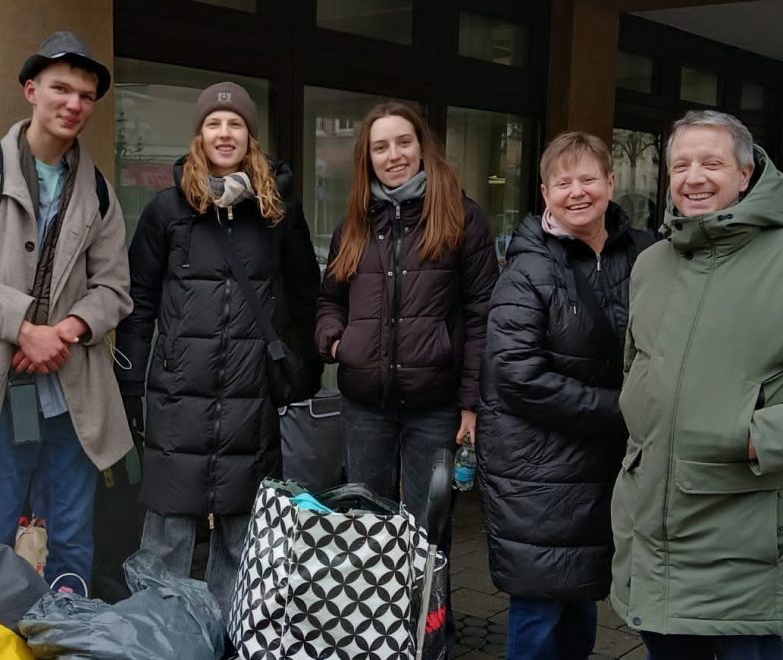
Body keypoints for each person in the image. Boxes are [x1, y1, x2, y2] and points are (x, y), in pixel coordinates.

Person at [0, 31, 133, 590]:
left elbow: (115, 288)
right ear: (30, 90)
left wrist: (66, 330)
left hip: (73, 391)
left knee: (73, 537)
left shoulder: (99, 191)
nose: (74, 104)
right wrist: (23, 329)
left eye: (86, 96)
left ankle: (68, 627)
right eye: (60, 89)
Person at [114, 82, 321, 617]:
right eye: (213, 124)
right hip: (177, 395)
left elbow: (305, 295)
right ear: (199, 135)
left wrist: (300, 371)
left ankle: (230, 635)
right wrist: (131, 381)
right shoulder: (166, 210)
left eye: (235, 124)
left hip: (250, 397)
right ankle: (159, 636)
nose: (224, 133)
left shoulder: (278, 212)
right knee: (167, 532)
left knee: (239, 532)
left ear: (250, 136)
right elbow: (138, 301)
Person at [315, 103, 497, 651]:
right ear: (367, 158)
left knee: (428, 530)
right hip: (365, 403)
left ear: (422, 146)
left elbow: (482, 315)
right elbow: (328, 300)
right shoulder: (356, 220)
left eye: (403, 142)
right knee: (365, 527)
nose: (393, 155)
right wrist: (337, 342)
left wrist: (471, 403)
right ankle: (370, 635)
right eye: (381, 147)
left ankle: (427, 638)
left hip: (434, 404)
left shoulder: (460, 217)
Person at [610, 110, 783, 659]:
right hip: (653, 541)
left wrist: (752, 436)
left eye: (712, 163)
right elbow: (637, 370)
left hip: (746, 549)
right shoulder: (651, 263)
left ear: (746, 174)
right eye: (681, 165)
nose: (694, 177)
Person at [477, 131, 654, 660]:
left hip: (605, 464)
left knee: (579, 595)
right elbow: (518, 377)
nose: (577, 192)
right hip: (537, 470)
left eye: (588, 179)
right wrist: (622, 410)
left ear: (611, 183)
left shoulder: (647, 256)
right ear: (545, 193)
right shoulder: (527, 270)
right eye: (563, 182)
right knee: (542, 604)